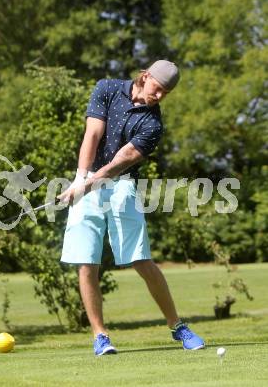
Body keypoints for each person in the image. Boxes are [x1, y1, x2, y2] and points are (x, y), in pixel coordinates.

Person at [58, 60, 205, 356]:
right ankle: (100, 336)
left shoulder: (153, 124)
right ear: (146, 76)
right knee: (86, 262)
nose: (160, 96)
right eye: (158, 88)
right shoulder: (107, 88)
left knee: (140, 259)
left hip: (121, 185)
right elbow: (93, 135)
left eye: (166, 93)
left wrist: (87, 185)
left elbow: (122, 160)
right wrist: (80, 177)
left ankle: (177, 326)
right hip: (86, 175)